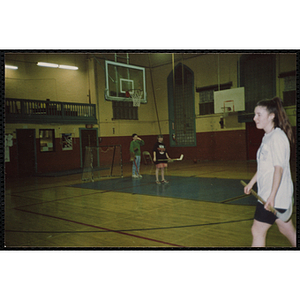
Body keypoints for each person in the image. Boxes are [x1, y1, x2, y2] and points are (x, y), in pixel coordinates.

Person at [244, 97, 296, 247]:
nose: (255, 118)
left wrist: (272, 196)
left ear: (272, 116)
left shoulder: (278, 137)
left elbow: (278, 169)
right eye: (255, 114)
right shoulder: (267, 137)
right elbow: (264, 167)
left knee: (257, 231)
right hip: (269, 195)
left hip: (273, 197)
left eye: (259, 114)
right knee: (287, 230)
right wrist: (251, 183)